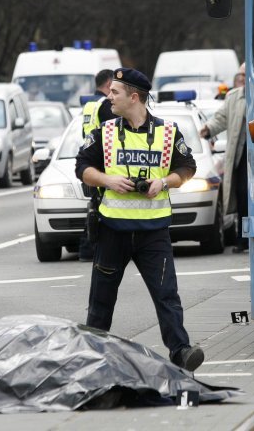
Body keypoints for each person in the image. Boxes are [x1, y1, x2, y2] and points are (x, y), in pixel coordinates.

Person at [75, 68, 205, 371]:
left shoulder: (167, 132)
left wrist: (165, 182)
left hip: (153, 232)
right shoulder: (104, 132)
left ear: (134, 97)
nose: (109, 97)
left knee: (166, 295)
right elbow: (82, 167)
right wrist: (107, 180)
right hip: (113, 230)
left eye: (115, 92)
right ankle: (93, 355)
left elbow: (188, 167)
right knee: (101, 301)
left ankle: (181, 352)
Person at [200, 62, 248, 253]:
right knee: (242, 195)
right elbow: (221, 118)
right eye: (241, 75)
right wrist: (208, 128)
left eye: (245, 74)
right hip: (240, 156)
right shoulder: (233, 97)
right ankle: (243, 238)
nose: (242, 78)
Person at [78, 69, 116, 262]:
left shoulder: (89, 104)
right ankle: (89, 247)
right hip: (102, 160)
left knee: (95, 205)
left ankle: (88, 247)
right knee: (101, 206)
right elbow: (114, 132)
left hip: (90, 157)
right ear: (109, 83)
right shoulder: (105, 105)